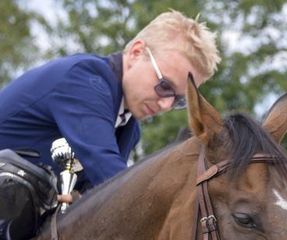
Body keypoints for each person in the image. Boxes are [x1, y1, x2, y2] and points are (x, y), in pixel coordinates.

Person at [0, 10, 219, 192]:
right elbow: (116, 187)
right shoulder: (83, 81)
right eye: (164, 86)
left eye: (179, 101)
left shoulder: (129, 129)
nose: (166, 105)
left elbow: (92, 199)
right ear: (136, 53)